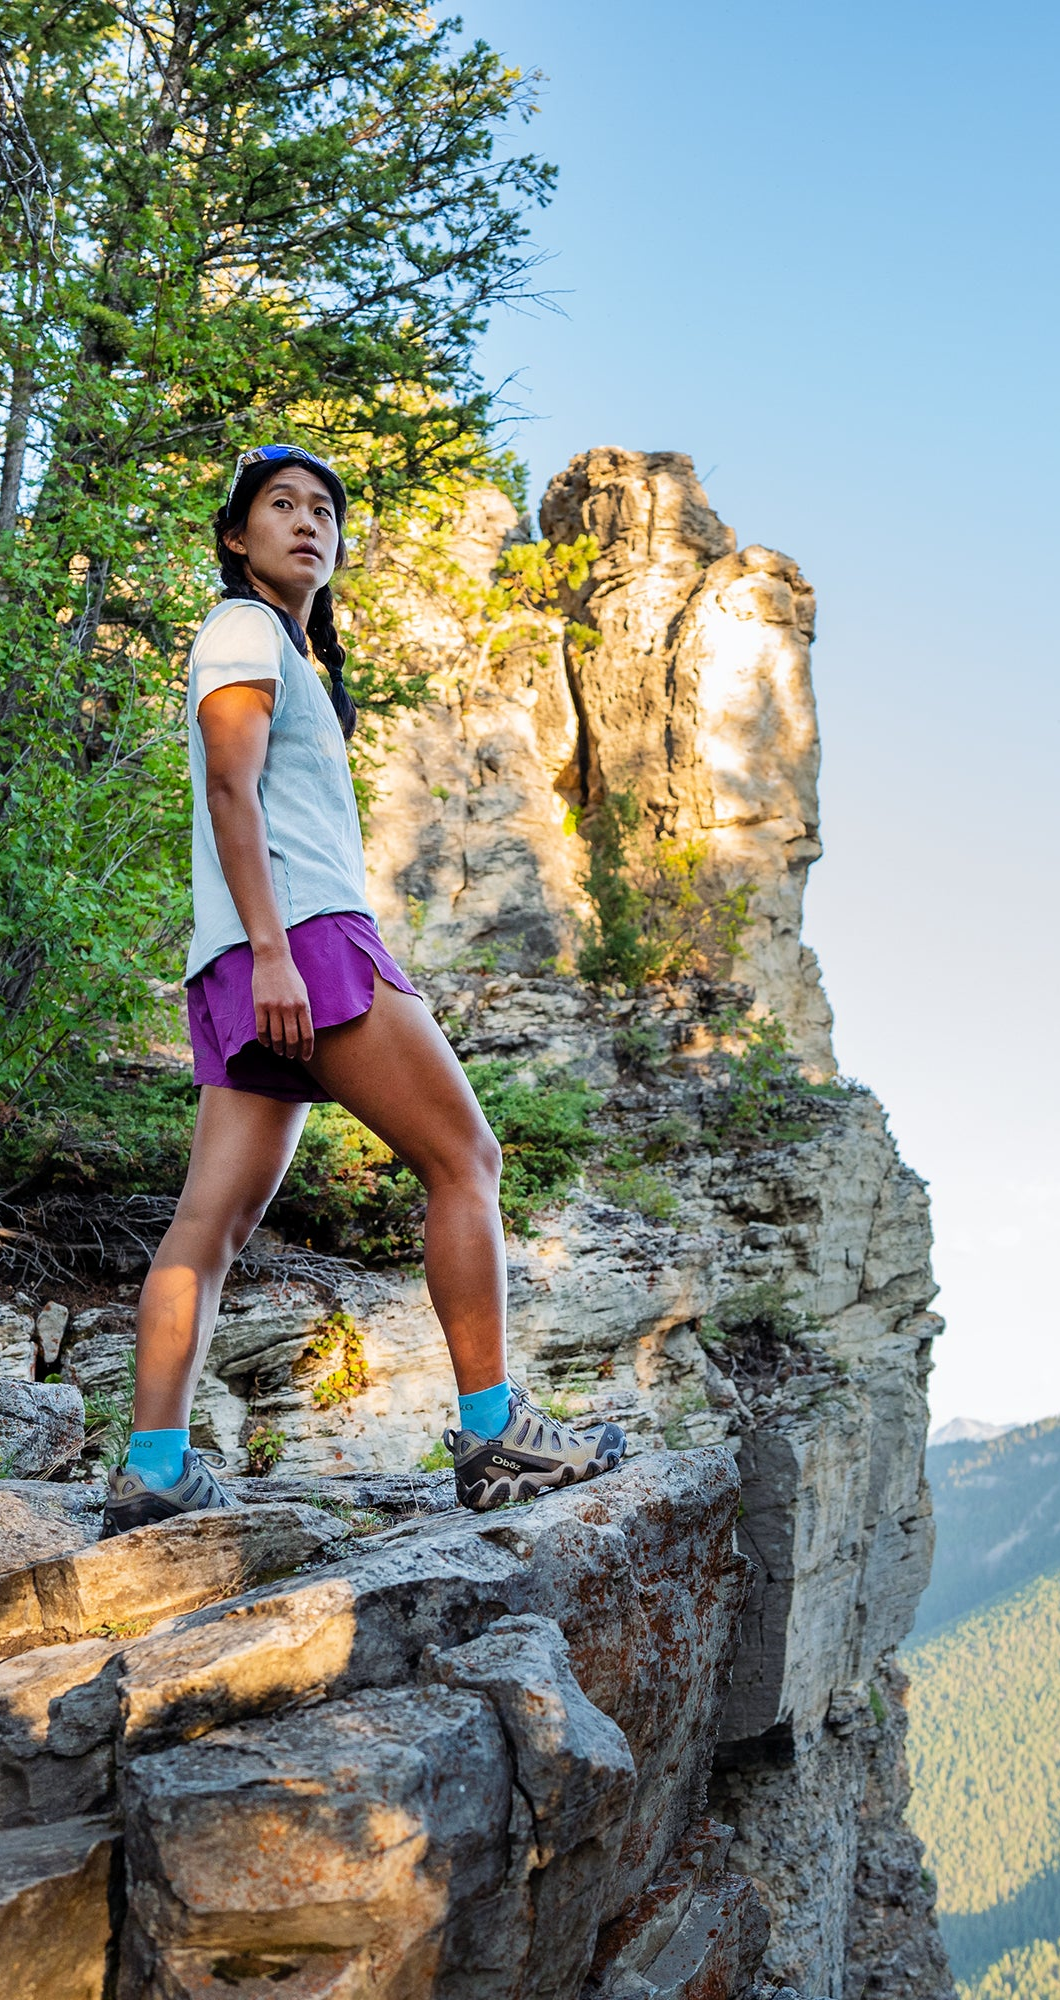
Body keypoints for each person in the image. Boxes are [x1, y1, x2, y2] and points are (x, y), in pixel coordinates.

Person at [102, 444, 626, 1535]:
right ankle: (495, 1435)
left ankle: (153, 1464)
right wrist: (282, 949)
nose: (307, 522)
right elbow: (228, 788)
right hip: (297, 944)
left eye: (324, 511)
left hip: (250, 955)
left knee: (212, 1221)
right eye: (279, 506)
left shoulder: (290, 655)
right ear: (235, 538)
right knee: (465, 1158)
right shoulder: (242, 629)